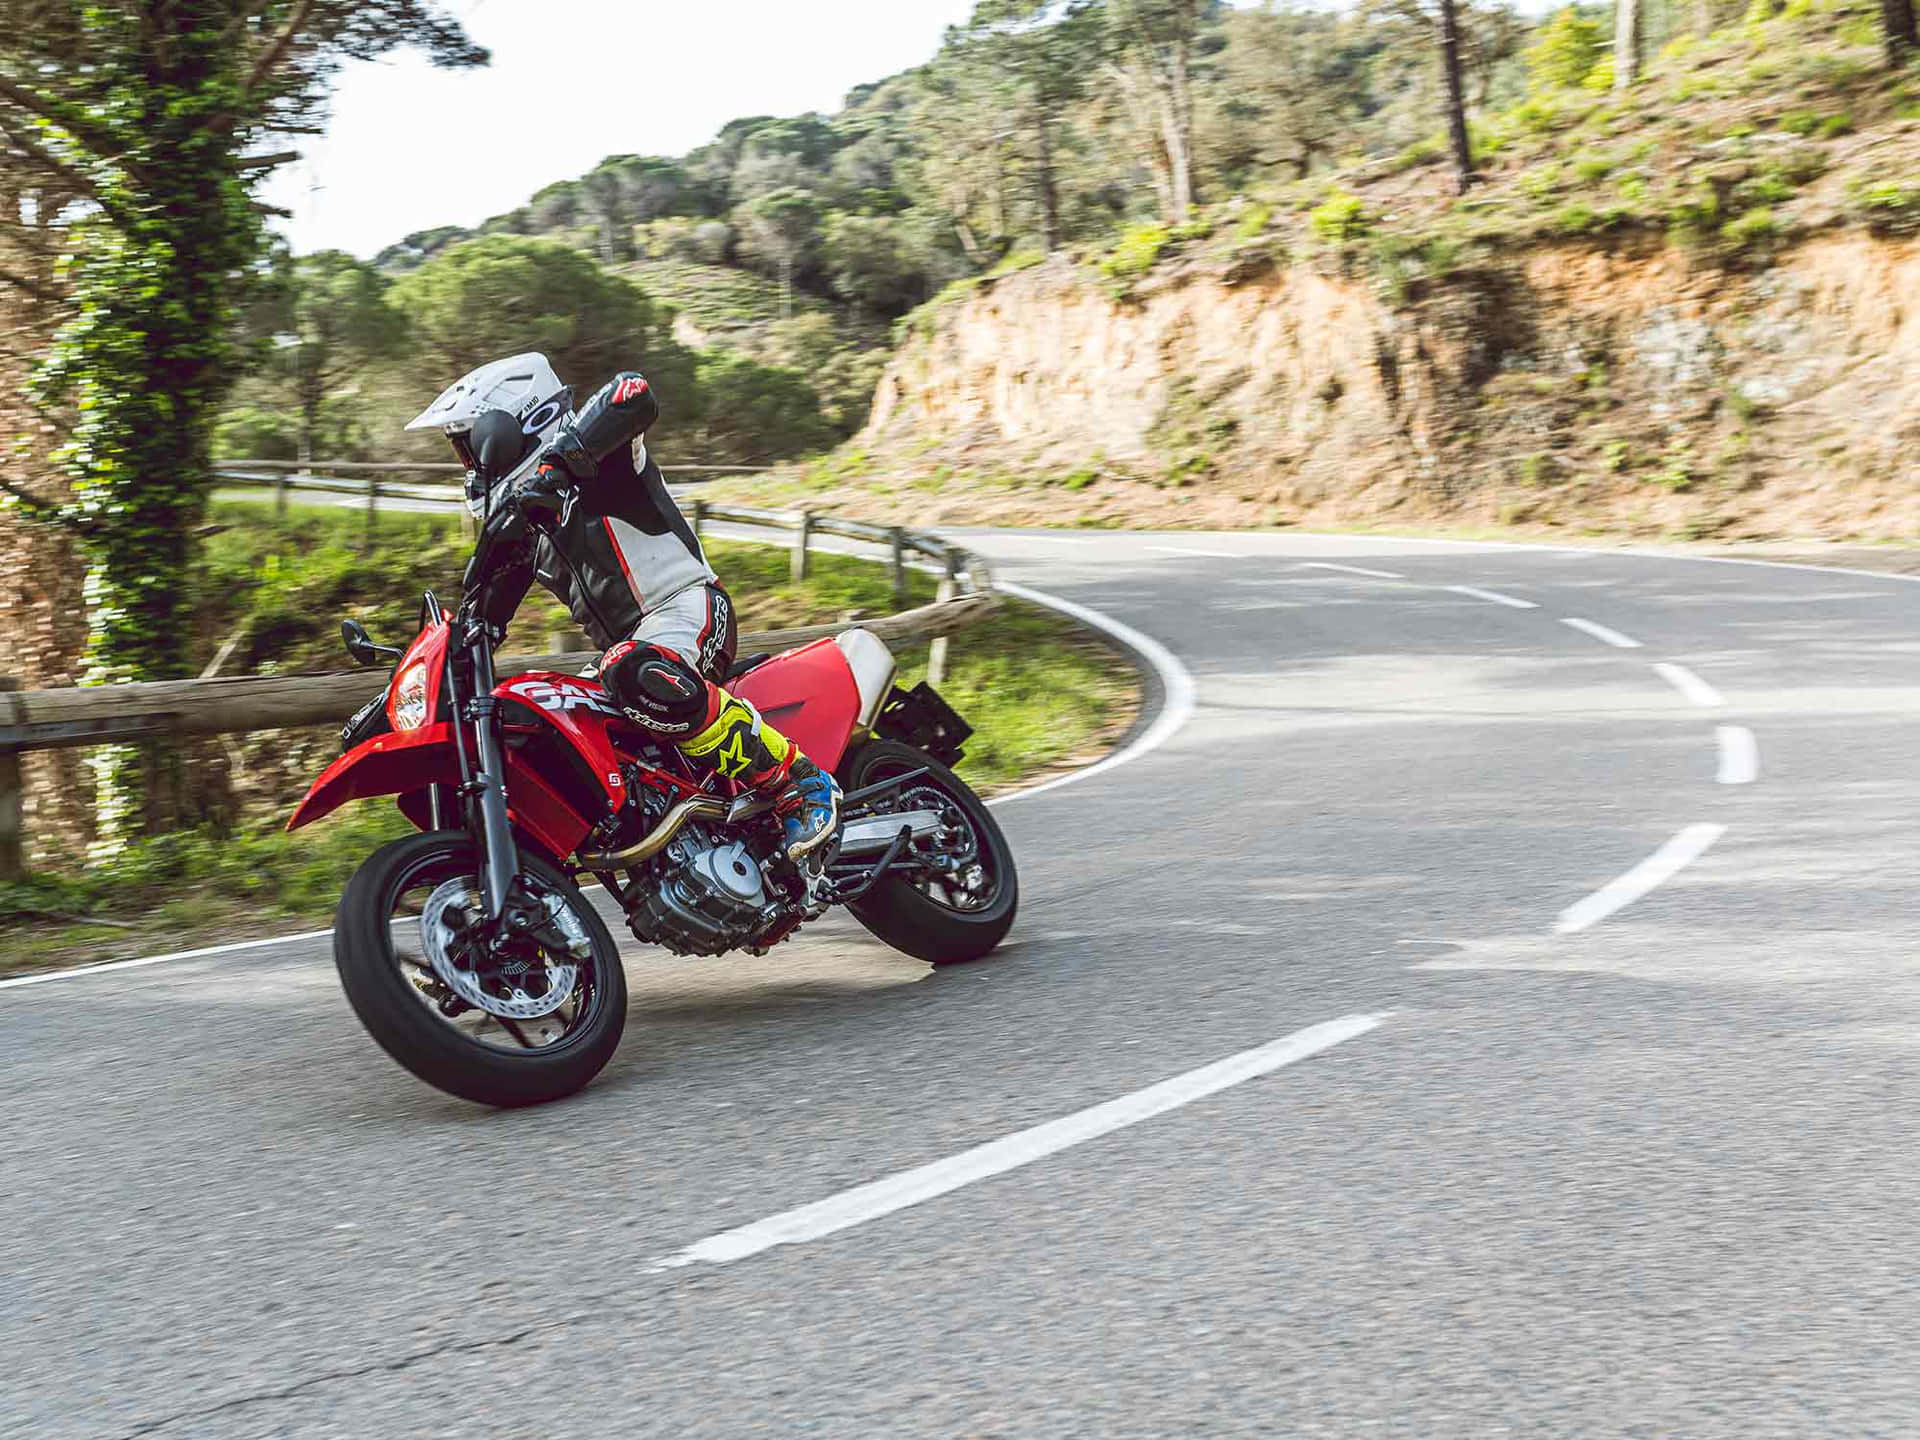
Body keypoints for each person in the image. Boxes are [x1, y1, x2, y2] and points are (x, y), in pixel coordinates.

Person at [409, 354, 840, 869]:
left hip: (689, 609)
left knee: (631, 668)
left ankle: (799, 780)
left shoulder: (599, 456)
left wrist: (557, 466)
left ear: (501, 430)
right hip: (629, 651)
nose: (468, 464)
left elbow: (633, 392)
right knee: (545, 719)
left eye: (467, 446)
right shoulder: (526, 524)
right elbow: (480, 620)